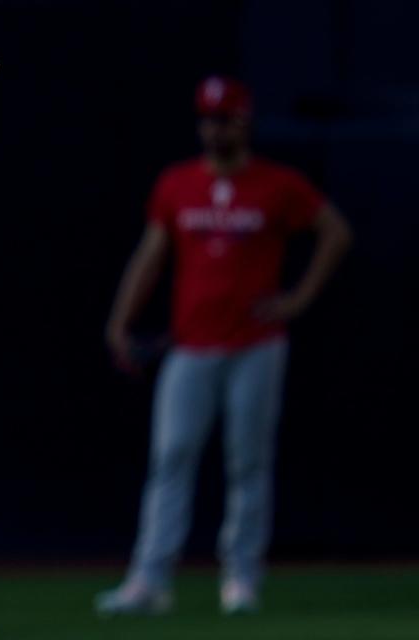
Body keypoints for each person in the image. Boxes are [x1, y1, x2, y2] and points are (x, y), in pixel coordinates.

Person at [96, 76, 353, 615]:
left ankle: (240, 580)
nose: (214, 129)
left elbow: (334, 231)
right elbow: (152, 255)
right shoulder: (178, 184)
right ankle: (150, 580)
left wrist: (297, 299)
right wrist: (122, 320)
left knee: (247, 463)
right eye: (207, 119)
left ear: (244, 121)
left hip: (256, 344)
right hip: (191, 344)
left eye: (224, 118)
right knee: (171, 458)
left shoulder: (277, 184)